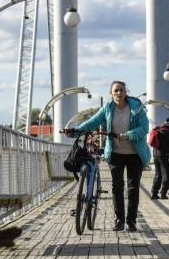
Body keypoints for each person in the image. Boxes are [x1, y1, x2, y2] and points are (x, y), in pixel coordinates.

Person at [61, 81, 151, 232]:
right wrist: (76, 131)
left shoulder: (137, 108)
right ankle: (119, 221)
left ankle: (131, 221)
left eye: (121, 90)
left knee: (133, 187)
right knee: (117, 186)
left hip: (136, 153)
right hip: (116, 153)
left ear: (126, 92)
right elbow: (93, 122)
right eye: (115, 91)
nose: (118, 93)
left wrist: (128, 135)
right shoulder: (108, 108)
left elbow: (144, 128)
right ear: (111, 93)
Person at [149, 117, 169, 200]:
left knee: (158, 174)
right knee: (167, 175)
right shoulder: (167, 132)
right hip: (163, 156)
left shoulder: (159, 130)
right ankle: (163, 193)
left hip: (155, 155)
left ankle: (154, 193)